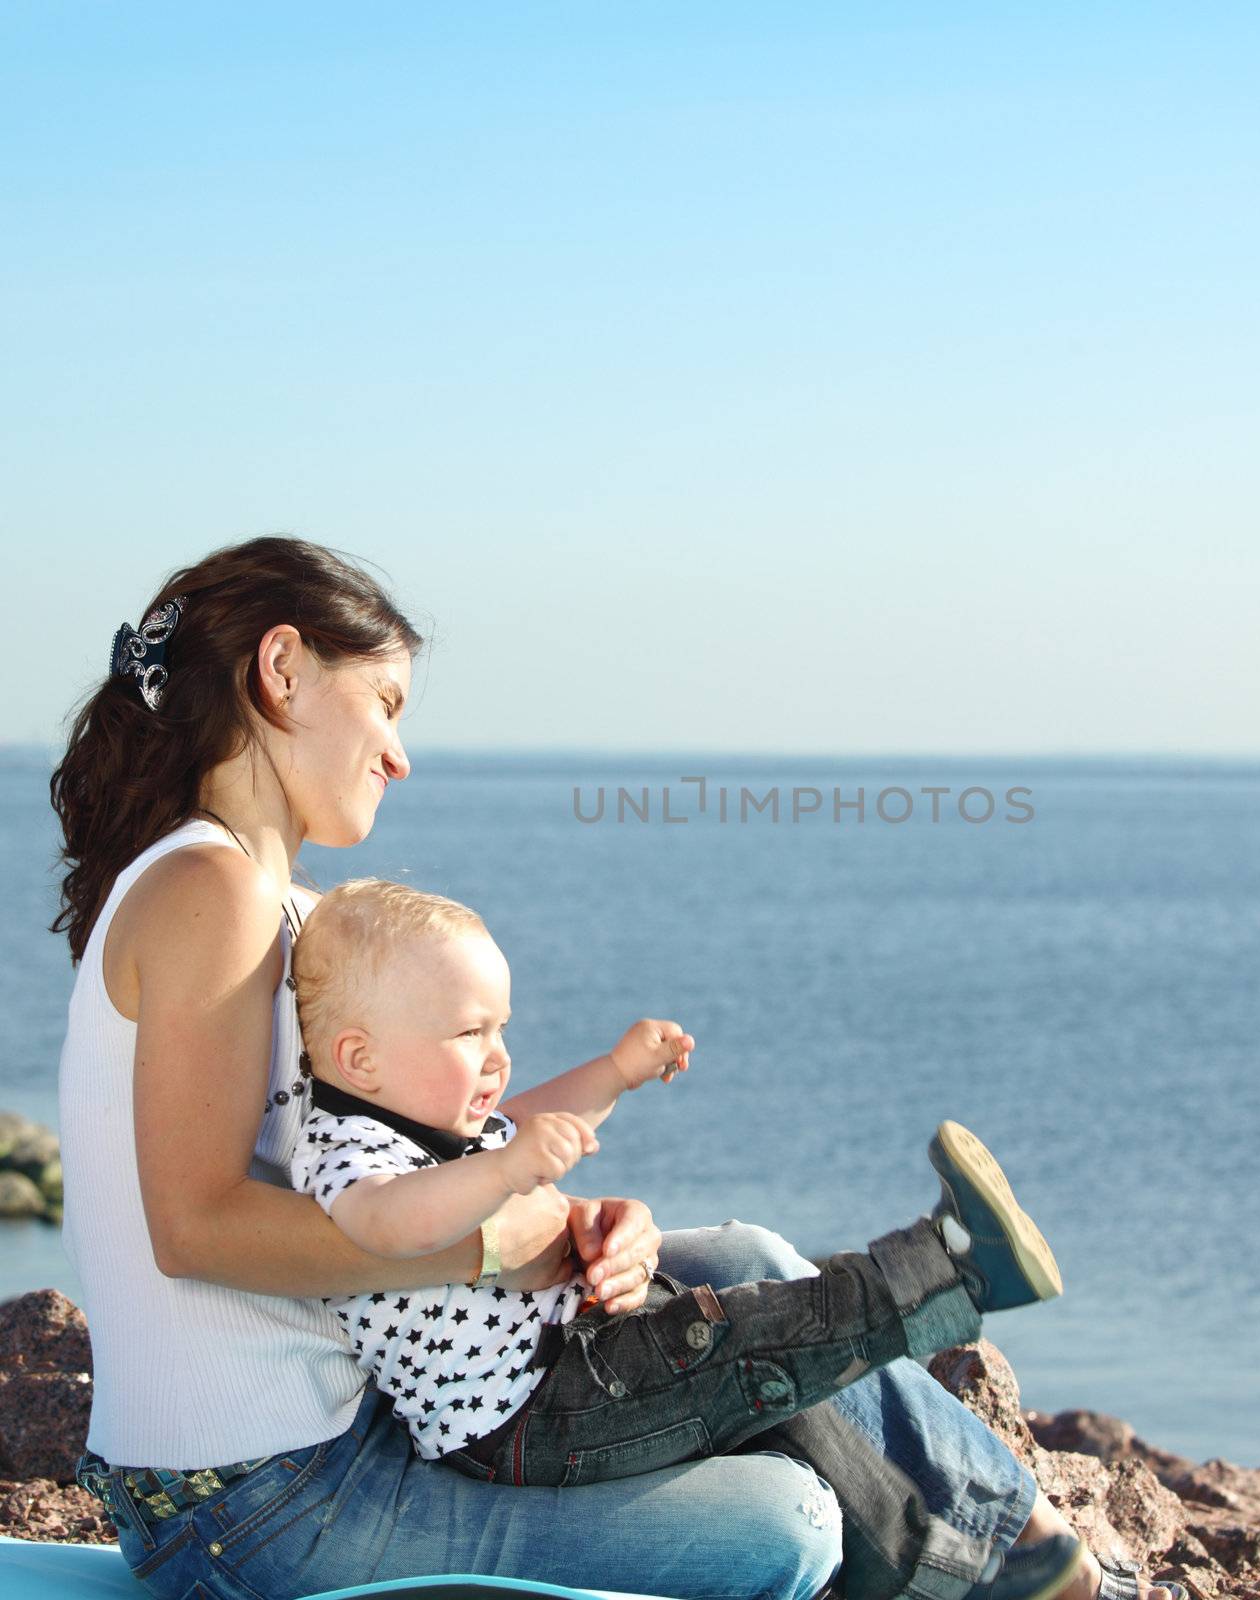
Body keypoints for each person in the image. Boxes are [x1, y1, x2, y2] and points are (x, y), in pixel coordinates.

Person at [52, 535, 1184, 1600]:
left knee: (741, 1258)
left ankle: (1030, 1555)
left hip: (376, 1400)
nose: (400, 750)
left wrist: (581, 1221)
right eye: (386, 704)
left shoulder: (284, 907)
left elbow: (418, 1152)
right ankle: (1000, 1566)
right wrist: (497, 1240)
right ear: (283, 670)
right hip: (255, 1504)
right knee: (786, 1522)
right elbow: (192, 1227)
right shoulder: (212, 893)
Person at [286, 877, 1068, 1490]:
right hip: (523, 1420)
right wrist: (505, 1172)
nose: (498, 1056)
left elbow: (530, 1112)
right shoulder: (348, 1151)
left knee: (767, 1375)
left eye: (503, 1028)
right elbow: (386, 1228)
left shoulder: (436, 1114)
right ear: (360, 1060)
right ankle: (950, 1270)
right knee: (750, 1340)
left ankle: (935, 1559)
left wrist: (617, 1072)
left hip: (572, 1360)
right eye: (469, 1032)